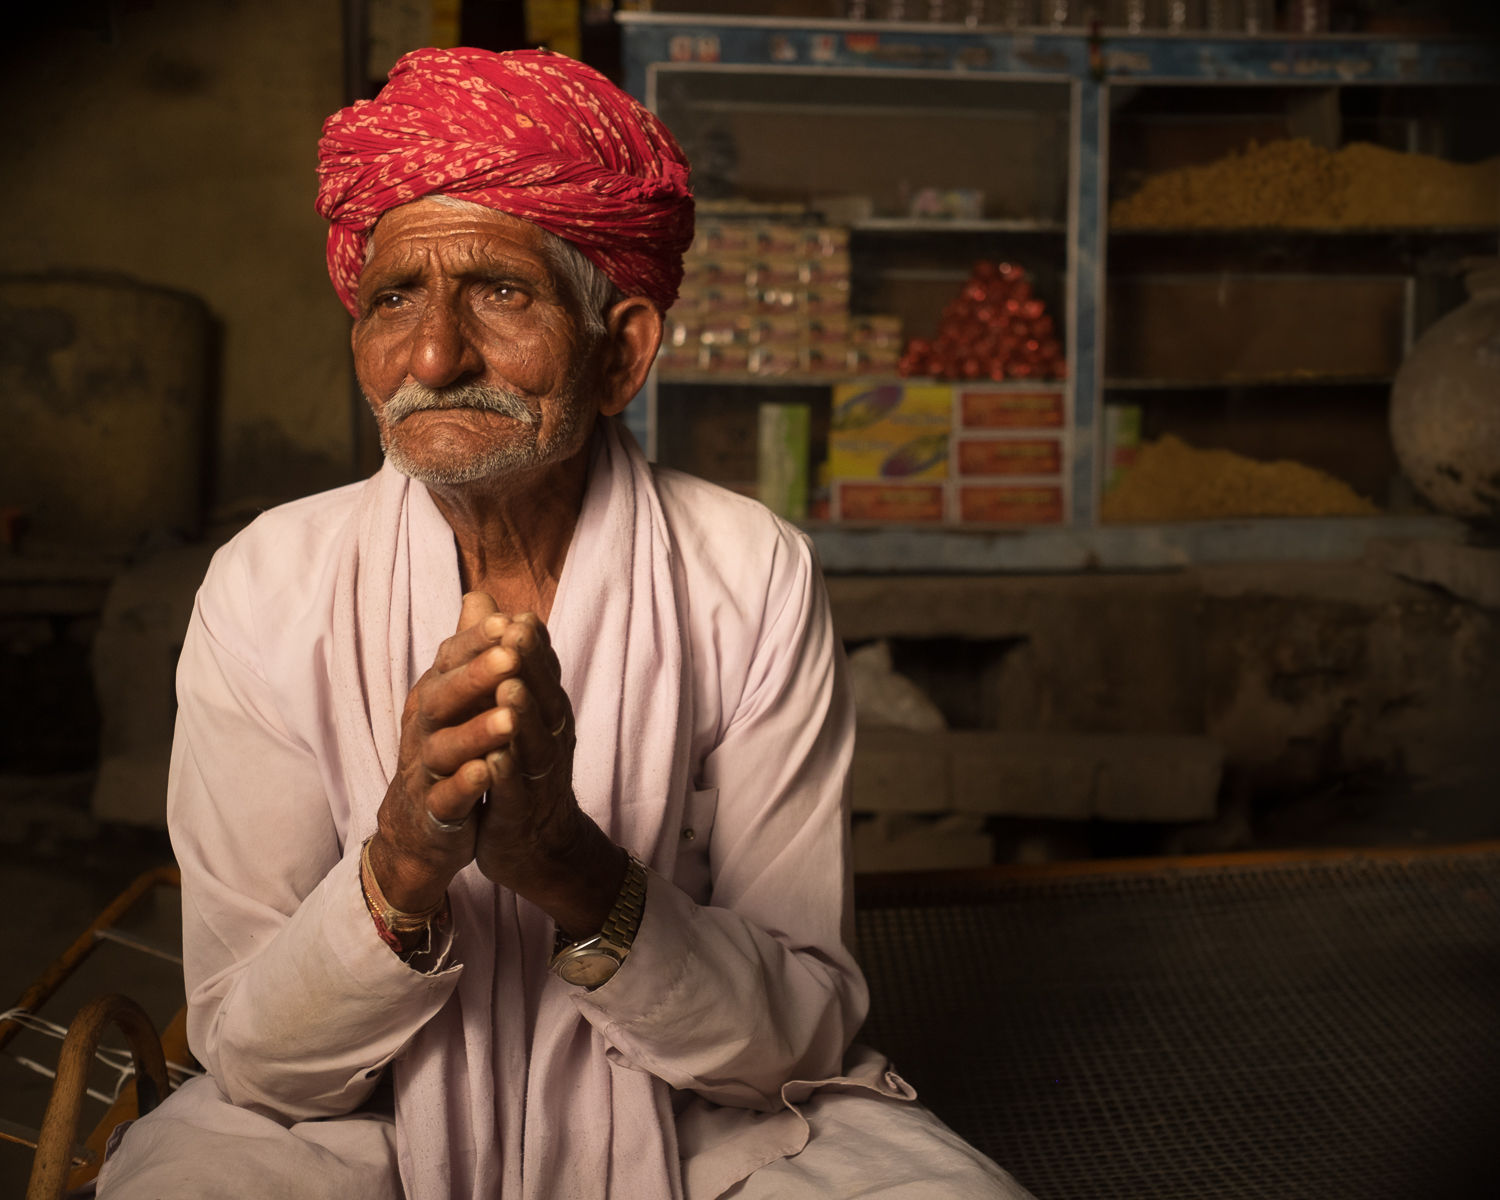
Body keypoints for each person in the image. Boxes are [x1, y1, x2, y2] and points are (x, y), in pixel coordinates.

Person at [98, 47, 1032, 1200]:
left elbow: (796, 1041)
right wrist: (401, 865)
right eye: (396, 298)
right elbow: (252, 1055)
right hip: (357, 1121)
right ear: (359, 344)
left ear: (621, 352)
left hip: (699, 1119)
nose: (434, 357)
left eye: (500, 292)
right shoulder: (267, 585)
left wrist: (569, 867)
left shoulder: (748, 573)